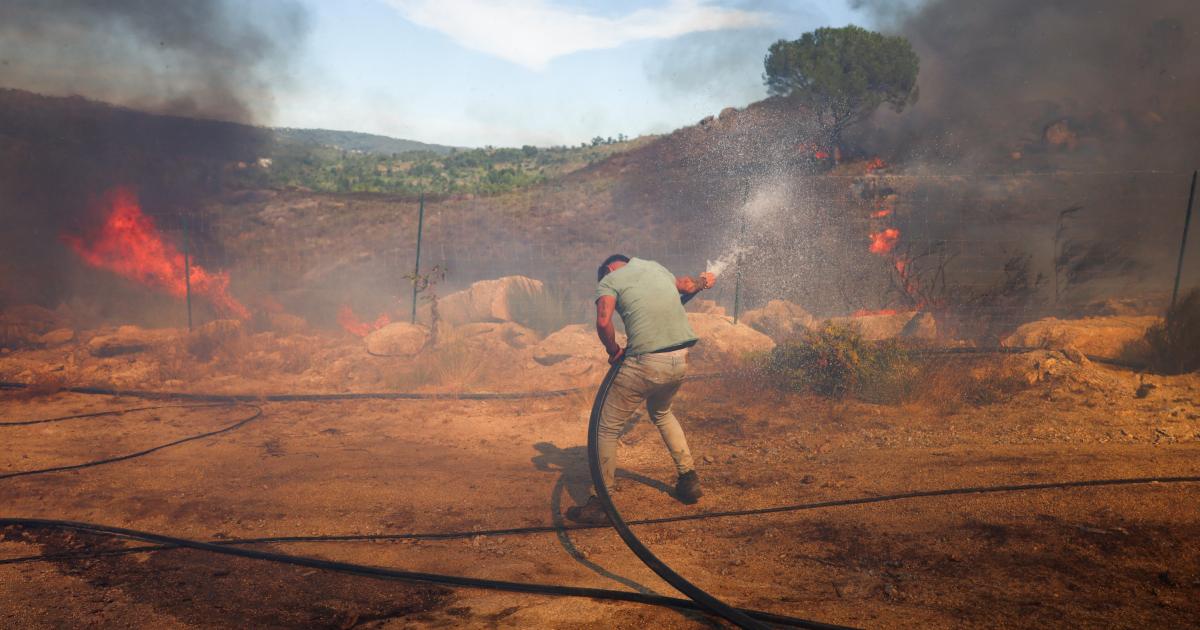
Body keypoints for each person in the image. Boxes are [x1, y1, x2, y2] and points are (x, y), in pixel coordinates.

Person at [566, 254, 716, 524]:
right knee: (662, 412)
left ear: (609, 269)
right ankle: (688, 479)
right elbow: (687, 285)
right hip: (679, 360)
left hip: (646, 362)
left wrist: (613, 351)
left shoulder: (610, 280)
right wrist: (705, 280)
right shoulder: (655, 266)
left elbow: (603, 321)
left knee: (606, 426)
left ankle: (602, 501)